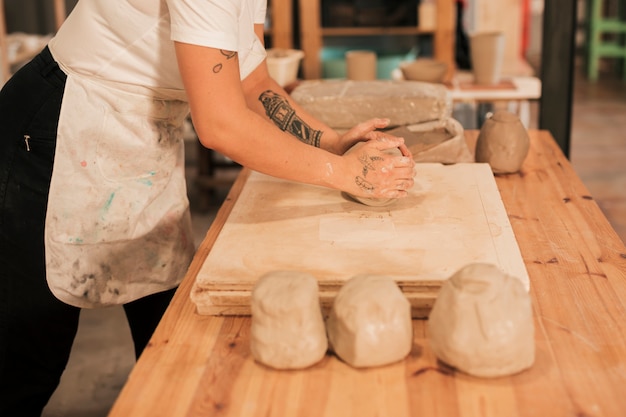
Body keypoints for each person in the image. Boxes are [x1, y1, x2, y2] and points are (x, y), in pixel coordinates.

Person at [0, 1, 415, 415]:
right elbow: (220, 125)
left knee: (168, 330)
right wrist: (344, 174)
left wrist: (332, 143)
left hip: (139, 135)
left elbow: (253, 84)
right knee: (31, 357)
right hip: (58, 123)